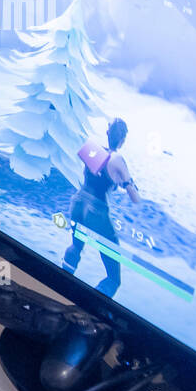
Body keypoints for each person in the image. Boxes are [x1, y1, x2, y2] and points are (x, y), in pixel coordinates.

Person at [62, 118, 143, 298]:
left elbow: (97, 174)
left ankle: (60, 284)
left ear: (107, 133)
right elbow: (135, 198)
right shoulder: (118, 159)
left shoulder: (92, 149)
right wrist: (127, 182)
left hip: (77, 203)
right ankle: (91, 306)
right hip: (96, 211)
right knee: (114, 278)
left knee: (75, 247)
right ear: (123, 140)